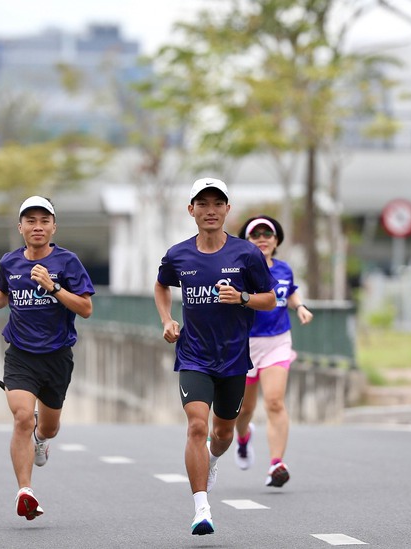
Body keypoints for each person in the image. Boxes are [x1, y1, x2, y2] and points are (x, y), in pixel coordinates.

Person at [154, 178, 277, 536]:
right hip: (193, 355)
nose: (210, 210)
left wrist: (241, 298)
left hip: (234, 358)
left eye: (217, 203)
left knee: (222, 433)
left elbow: (268, 299)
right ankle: (201, 508)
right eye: (202, 204)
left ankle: (214, 457)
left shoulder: (246, 254)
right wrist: (167, 319)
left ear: (227, 209)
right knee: (196, 426)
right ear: (191, 210)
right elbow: (162, 284)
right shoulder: (179, 254)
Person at [0, 196, 95, 520]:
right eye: (31, 221)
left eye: (44, 221)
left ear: (53, 226)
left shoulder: (68, 262)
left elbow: (86, 309)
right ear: (21, 227)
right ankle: (25, 491)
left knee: (48, 426)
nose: (38, 226)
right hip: (20, 355)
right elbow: (5, 292)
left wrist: (53, 287)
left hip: (57, 356)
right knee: (21, 418)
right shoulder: (10, 262)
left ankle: (42, 441)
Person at [233, 215, 314, 488]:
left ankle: (276, 463)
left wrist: (300, 307)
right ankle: (243, 439)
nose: (262, 240)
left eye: (268, 235)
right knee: (244, 408)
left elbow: (290, 292)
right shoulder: (238, 270)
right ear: (246, 241)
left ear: (276, 240)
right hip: (245, 345)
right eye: (256, 235)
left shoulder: (284, 270)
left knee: (275, 402)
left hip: (277, 342)